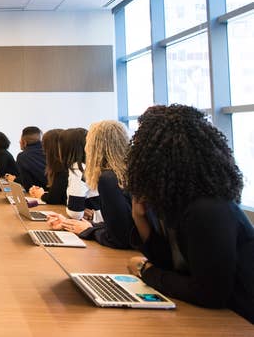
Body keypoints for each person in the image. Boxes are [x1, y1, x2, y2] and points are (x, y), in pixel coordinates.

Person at [124, 104, 254, 323]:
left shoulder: (207, 209)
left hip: (241, 319)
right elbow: (173, 266)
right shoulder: (182, 203)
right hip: (226, 317)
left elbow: (210, 294)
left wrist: (146, 271)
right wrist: (140, 218)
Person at [54, 121, 134, 249]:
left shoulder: (108, 178)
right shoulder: (128, 171)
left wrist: (89, 230)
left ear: (93, 146)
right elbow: (126, 227)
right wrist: (88, 226)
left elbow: (120, 238)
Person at [46, 128, 101, 230]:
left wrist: (76, 209)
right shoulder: (92, 165)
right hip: (99, 220)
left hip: (93, 224)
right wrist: (81, 209)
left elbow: (75, 214)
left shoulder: (77, 169)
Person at [29, 129, 66, 204]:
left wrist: (41, 194)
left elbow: (53, 199)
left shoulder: (63, 170)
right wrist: (41, 192)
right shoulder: (60, 166)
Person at [13, 126, 47, 191]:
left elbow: (27, 185)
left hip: (37, 194)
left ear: (24, 142)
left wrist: (15, 179)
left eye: (20, 139)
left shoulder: (22, 156)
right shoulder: (49, 151)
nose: (19, 141)